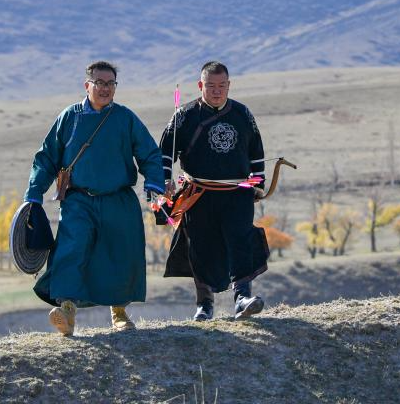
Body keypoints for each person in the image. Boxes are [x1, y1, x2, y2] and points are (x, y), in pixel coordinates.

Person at [24, 60, 165, 336]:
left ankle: (119, 313)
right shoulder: (70, 117)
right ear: (87, 85)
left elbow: (149, 153)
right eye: (99, 83)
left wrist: (154, 184)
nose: (105, 88)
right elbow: (47, 157)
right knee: (71, 250)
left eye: (111, 83)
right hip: (78, 200)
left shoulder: (125, 118)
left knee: (119, 254)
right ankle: (67, 311)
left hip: (118, 200)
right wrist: (34, 193)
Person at [160, 61, 269, 321]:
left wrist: (258, 183)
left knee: (241, 241)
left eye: (222, 86)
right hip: (198, 195)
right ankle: (204, 305)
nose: (217, 91)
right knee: (200, 246)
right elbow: (164, 152)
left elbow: (256, 151)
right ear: (201, 85)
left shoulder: (243, 114)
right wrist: (164, 181)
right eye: (211, 86)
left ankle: (242, 299)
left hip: (237, 193)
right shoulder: (184, 116)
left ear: (229, 85)